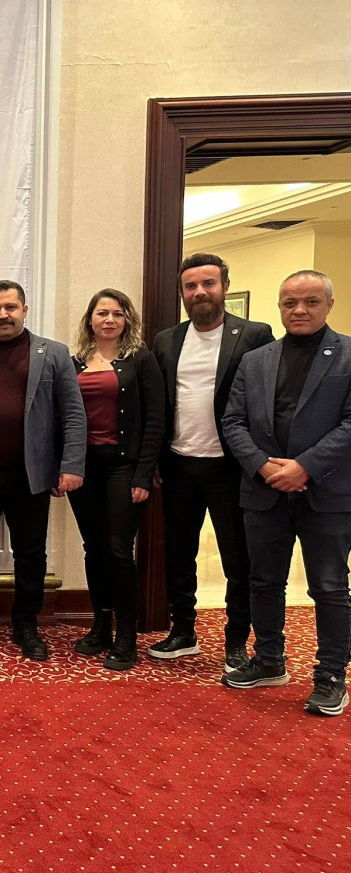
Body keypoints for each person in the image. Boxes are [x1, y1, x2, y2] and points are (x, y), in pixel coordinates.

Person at [222, 270, 351, 716]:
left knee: (329, 587)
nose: (299, 310)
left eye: (310, 301)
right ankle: (269, 660)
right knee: (264, 581)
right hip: (264, 491)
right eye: (290, 302)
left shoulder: (348, 355)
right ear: (279, 306)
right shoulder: (255, 360)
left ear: (328, 304)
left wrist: (305, 467)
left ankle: (331, 676)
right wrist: (261, 465)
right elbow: (232, 421)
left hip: (327, 493)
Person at [150, 253, 273, 671]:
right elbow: (159, 406)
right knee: (178, 554)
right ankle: (183, 631)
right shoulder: (166, 340)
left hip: (231, 467)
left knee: (238, 560)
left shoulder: (254, 335)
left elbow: (266, 399)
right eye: (191, 286)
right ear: (182, 293)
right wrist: (153, 460)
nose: (200, 292)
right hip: (178, 464)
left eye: (208, 283)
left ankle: (236, 639)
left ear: (224, 287)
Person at [0, 280, 87, 660]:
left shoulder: (53, 353)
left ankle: (26, 624)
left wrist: (71, 465)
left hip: (31, 474)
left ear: (24, 310)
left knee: (30, 554)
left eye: (10, 307)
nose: (3, 315)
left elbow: (73, 414)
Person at [68, 289, 165, 670]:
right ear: (90, 320)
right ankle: (100, 626)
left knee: (118, 549)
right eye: (102, 313)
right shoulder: (76, 362)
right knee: (93, 548)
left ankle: (126, 635)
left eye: (117, 314)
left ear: (127, 320)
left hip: (123, 466)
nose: (109, 320)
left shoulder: (140, 360)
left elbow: (155, 419)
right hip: (84, 467)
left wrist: (144, 473)